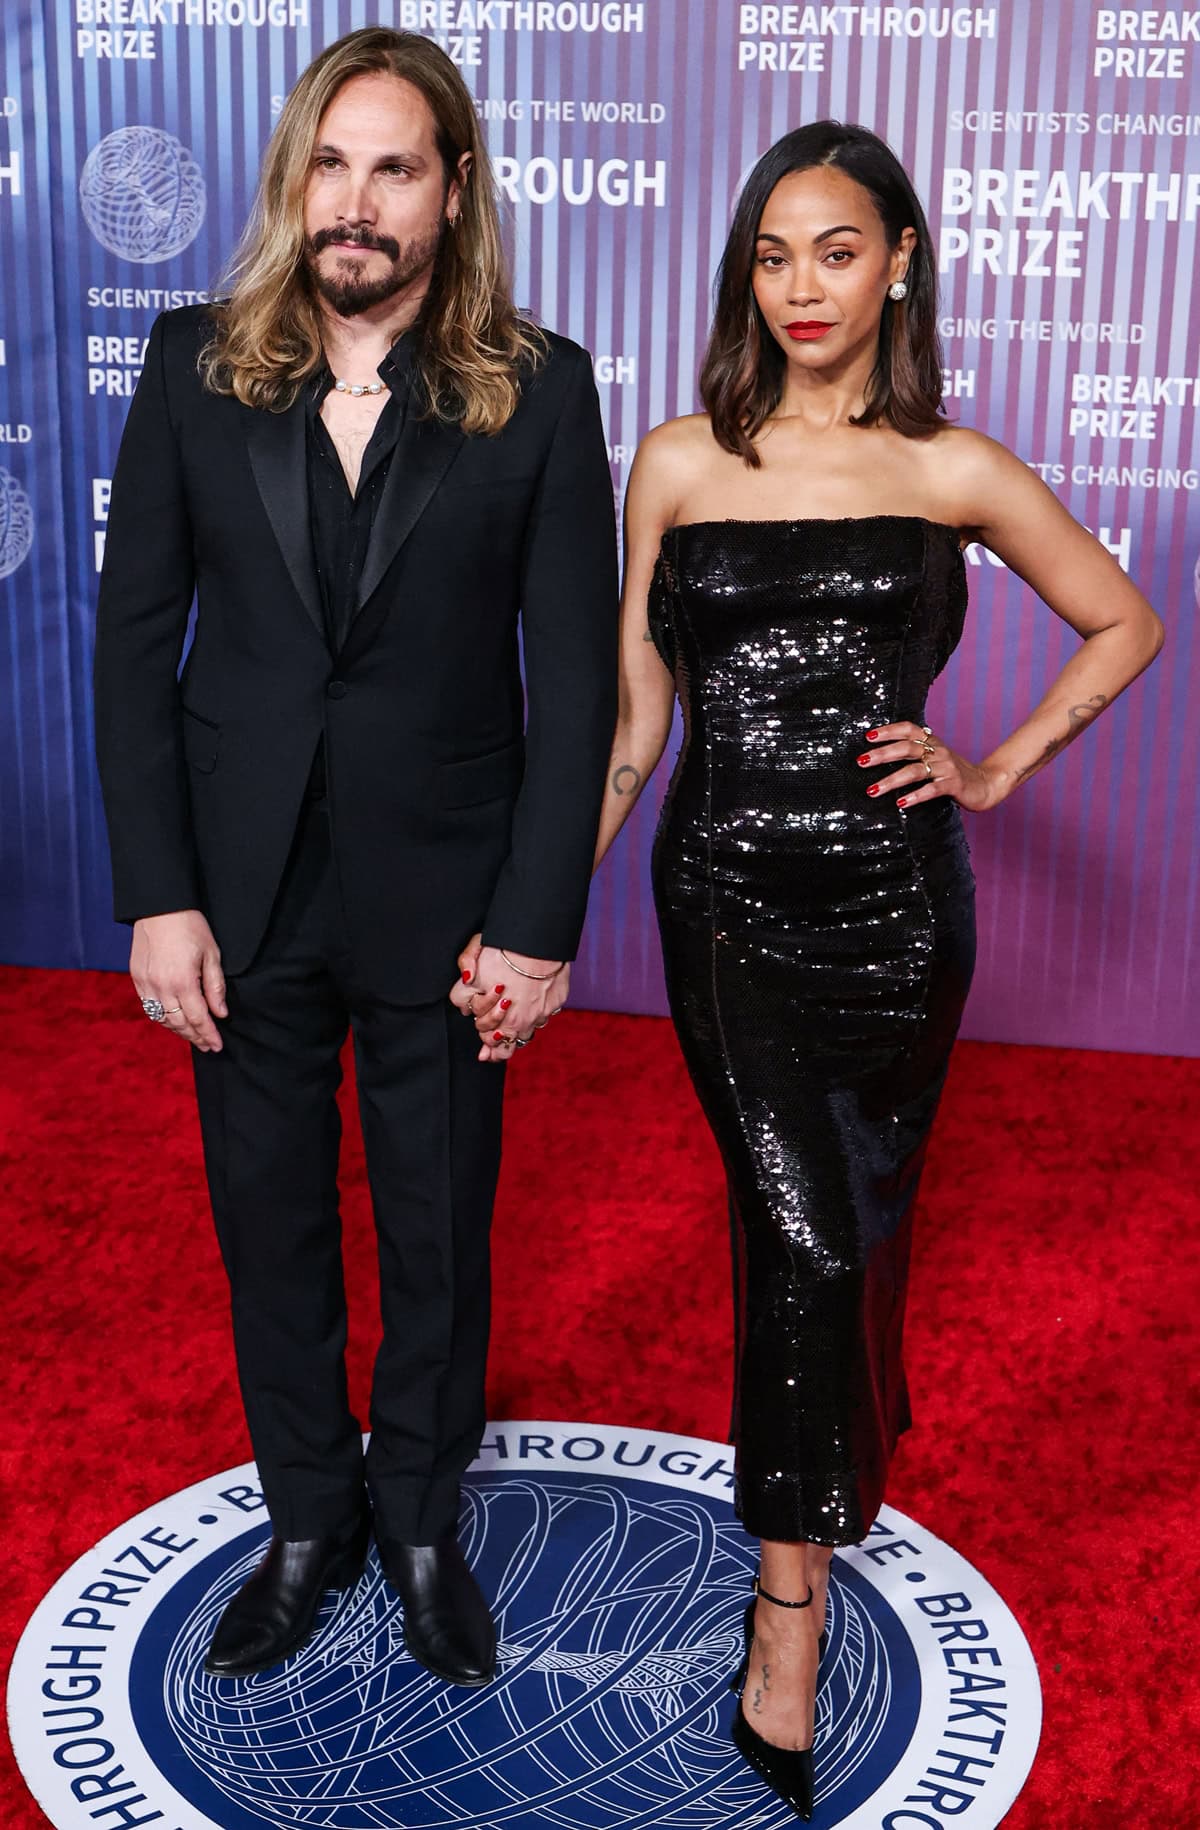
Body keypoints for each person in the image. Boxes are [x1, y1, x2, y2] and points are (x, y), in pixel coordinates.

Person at [577, 121, 1163, 1818]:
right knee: (805, 1232)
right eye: (773, 254)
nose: (801, 285)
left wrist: (990, 768)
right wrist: (542, 915)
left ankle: (842, 1455)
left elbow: (1123, 617)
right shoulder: (681, 459)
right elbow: (635, 722)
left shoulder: (960, 469)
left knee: (862, 1222)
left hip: (902, 916)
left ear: (900, 256)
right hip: (727, 904)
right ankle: (790, 1613)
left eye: (835, 249)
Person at [93, 27, 616, 1685]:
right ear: (291, 181)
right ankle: (308, 1518)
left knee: (438, 1223)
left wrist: (537, 924)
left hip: (450, 891)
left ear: (451, 192)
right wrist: (159, 893)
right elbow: (132, 650)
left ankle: (416, 1521)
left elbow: (581, 674)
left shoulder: (539, 385)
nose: (356, 199)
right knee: (270, 1224)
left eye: (394, 166)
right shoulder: (191, 367)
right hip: (239, 892)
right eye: (331, 163)